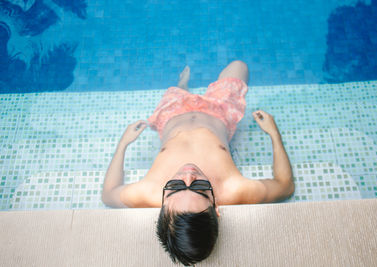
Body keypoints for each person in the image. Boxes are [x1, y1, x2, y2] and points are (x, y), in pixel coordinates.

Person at [102, 60, 294, 266]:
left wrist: (123, 144)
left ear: (163, 207)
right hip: (219, 112)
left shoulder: (146, 192)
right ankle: (186, 86)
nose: (188, 174)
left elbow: (108, 193)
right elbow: (285, 185)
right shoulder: (235, 189)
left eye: (175, 187)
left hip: (171, 114)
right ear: (216, 208)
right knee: (239, 66)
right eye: (200, 188)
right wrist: (274, 134)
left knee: (177, 90)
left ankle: (183, 85)